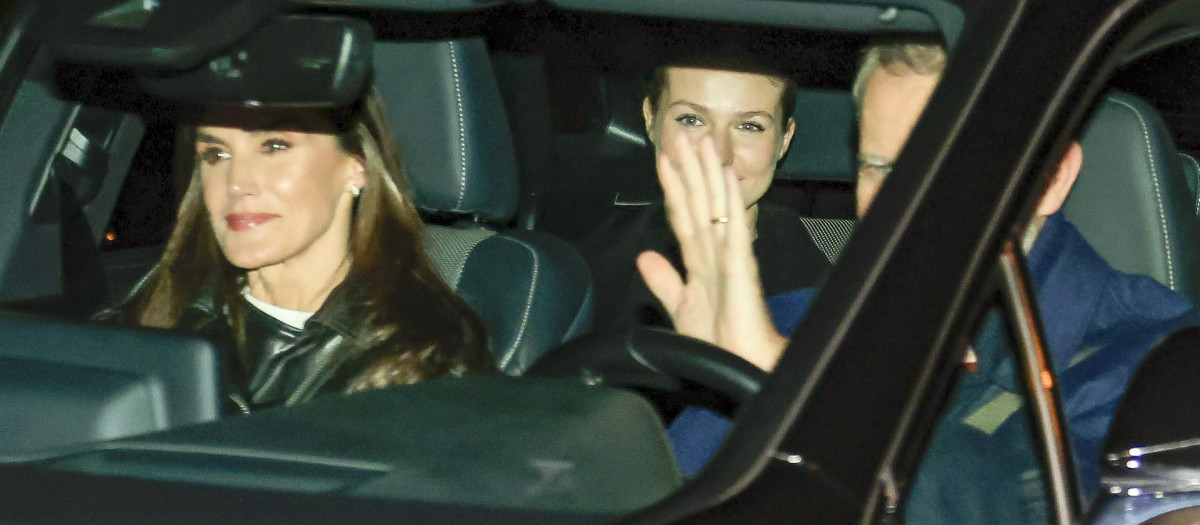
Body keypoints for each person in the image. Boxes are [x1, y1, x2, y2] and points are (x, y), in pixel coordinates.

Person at [648, 38, 1200, 522]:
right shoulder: (796, 322)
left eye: (952, 170)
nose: (903, 208)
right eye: (882, 169)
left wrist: (807, 402)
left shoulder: (1163, 363)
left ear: (1051, 178)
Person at [101, 88, 496, 414]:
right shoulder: (151, 319)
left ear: (356, 166)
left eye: (274, 146)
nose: (237, 183)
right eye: (216, 154)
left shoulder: (422, 362)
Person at [576, 50, 833, 333]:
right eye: (691, 120)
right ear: (651, 119)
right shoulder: (581, 269)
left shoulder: (825, 290)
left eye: (749, 126)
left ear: (784, 140)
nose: (719, 155)